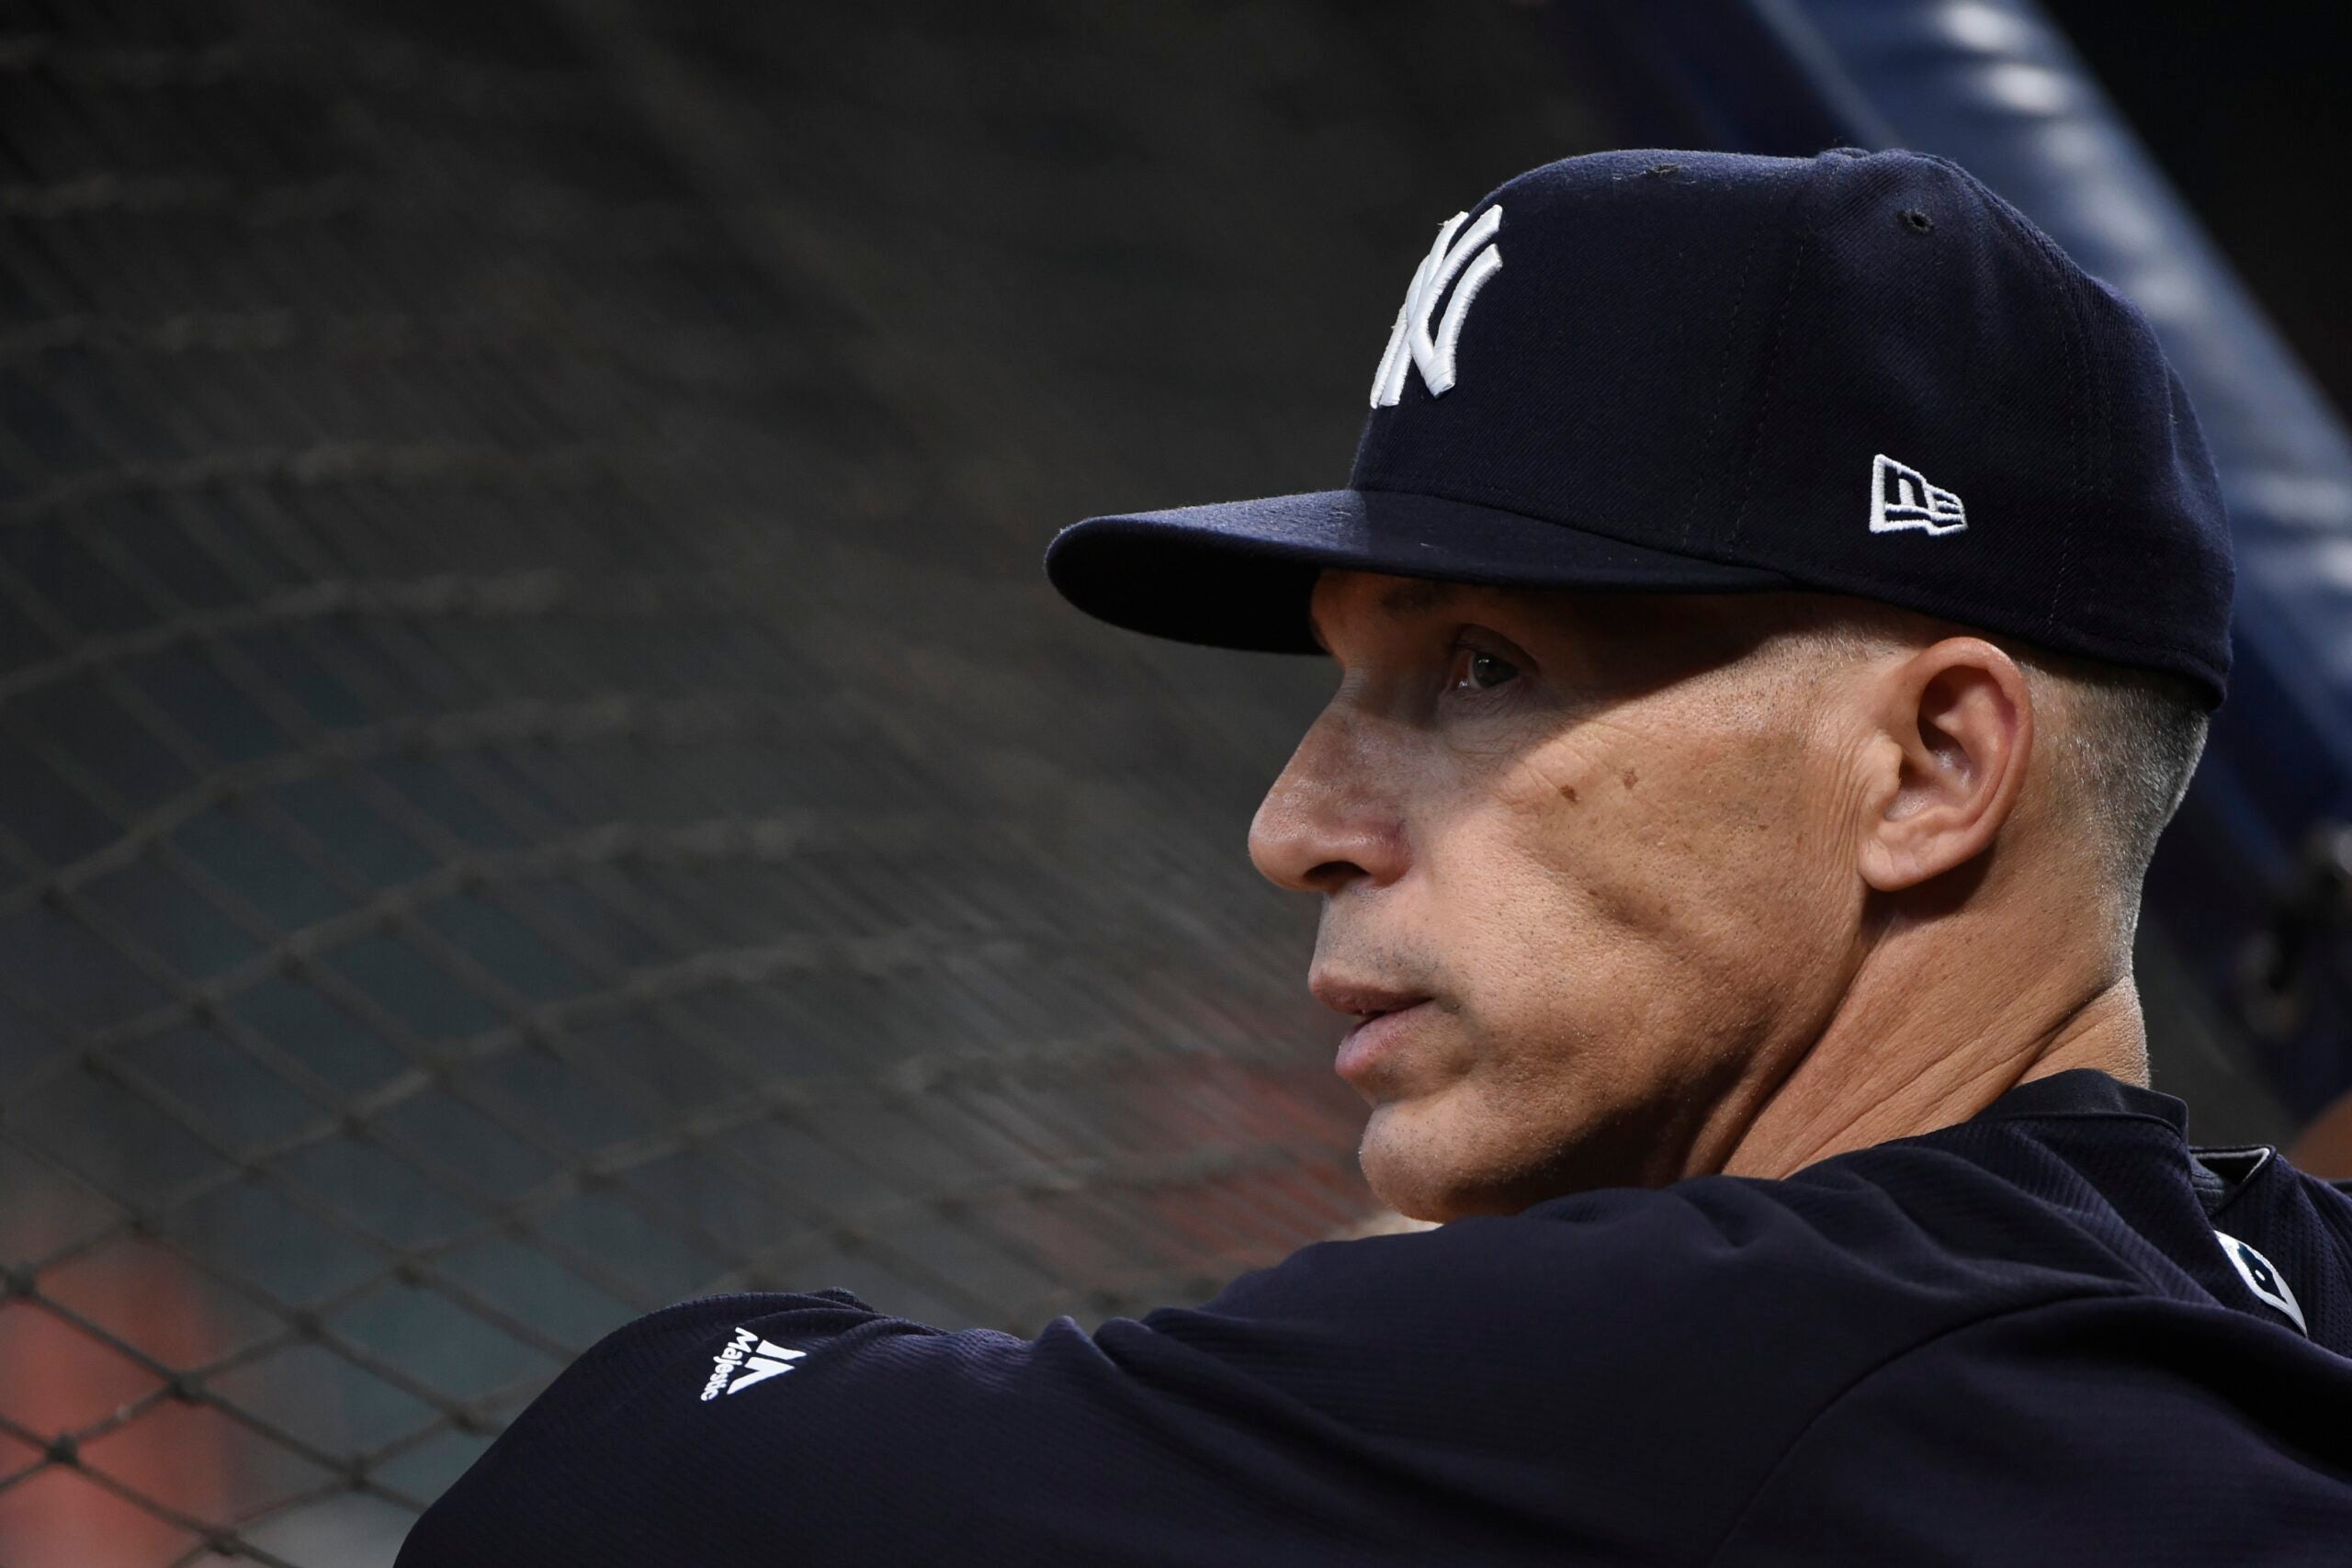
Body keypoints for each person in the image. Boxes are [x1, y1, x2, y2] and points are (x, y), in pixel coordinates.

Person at [398, 147, 2352, 1566]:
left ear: (1929, 764)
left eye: (1482, 663)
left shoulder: (1692, 1370)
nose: (1290, 824)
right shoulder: (2261, 1295)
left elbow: (616, 1487)